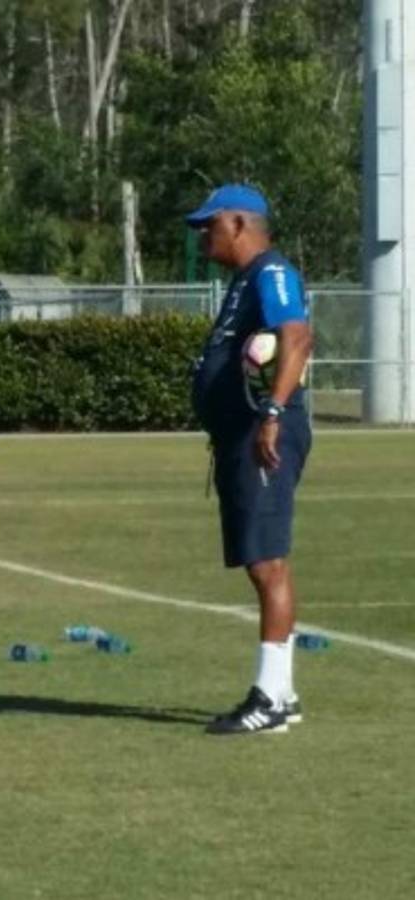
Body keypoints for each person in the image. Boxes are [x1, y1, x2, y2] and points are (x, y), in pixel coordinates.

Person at [186, 184, 314, 735]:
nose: (202, 236)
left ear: (239, 223)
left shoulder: (272, 272)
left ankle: (269, 698)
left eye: (209, 225)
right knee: (261, 562)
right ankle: (281, 691)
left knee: (267, 563)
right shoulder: (244, 281)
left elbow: (297, 337)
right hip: (243, 434)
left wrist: (273, 414)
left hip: (264, 435)